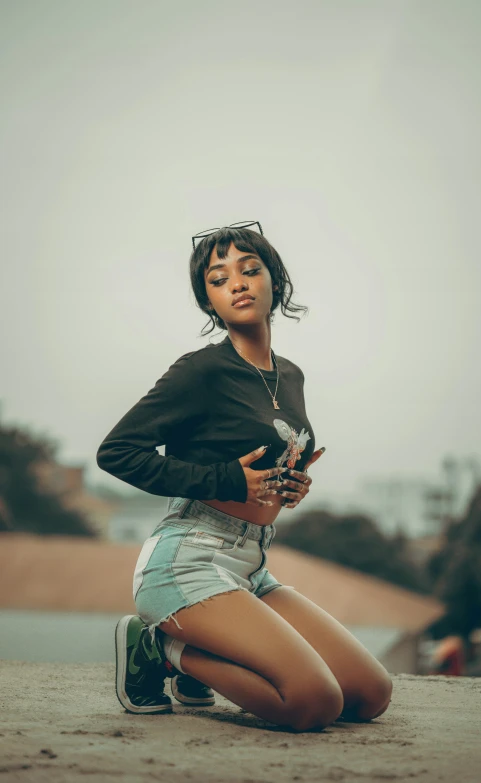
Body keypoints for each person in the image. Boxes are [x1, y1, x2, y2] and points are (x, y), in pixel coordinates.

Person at [96, 221, 393, 732]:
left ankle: (204, 651)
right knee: (312, 703)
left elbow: (266, 459)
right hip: (187, 559)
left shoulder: (290, 374)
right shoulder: (200, 371)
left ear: (273, 280)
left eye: (250, 270)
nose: (237, 283)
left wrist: (290, 483)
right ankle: (163, 651)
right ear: (209, 302)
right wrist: (226, 481)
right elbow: (117, 452)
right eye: (218, 278)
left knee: (369, 694)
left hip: (252, 564)